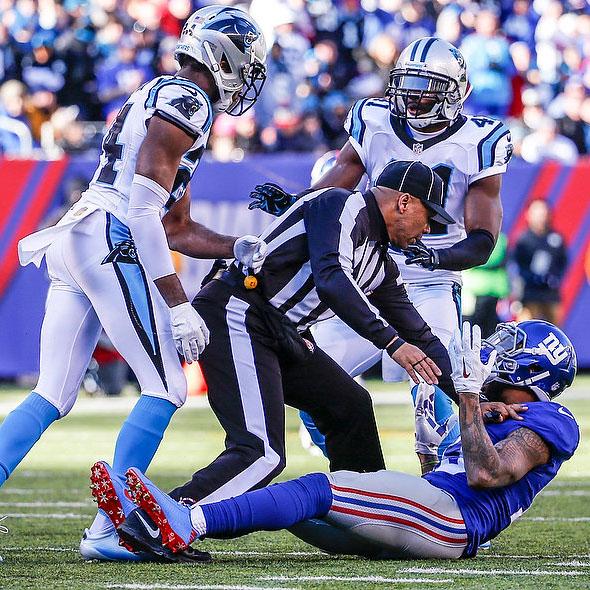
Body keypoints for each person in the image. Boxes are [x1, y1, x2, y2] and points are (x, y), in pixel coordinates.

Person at [0, 5, 268, 563]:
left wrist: (234, 246)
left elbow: (176, 226)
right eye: (243, 65)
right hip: (110, 236)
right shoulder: (188, 101)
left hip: (80, 234)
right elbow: (144, 212)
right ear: (222, 60)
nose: (247, 78)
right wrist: (177, 303)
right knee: (167, 386)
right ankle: (108, 528)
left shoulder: (166, 94)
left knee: (53, 392)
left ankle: (108, 523)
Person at [89, 159, 460, 561]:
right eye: (428, 216)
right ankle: (155, 521)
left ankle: (370, 512)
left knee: (350, 405)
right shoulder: (341, 204)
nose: (428, 230)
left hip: (281, 332)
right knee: (261, 451)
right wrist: (391, 343)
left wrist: (471, 398)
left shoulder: (380, 263)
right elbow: (332, 277)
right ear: (404, 202)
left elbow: (421, 335)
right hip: (239, 311)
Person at [104, 319, 578, 561]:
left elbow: (487, 474)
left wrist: (471, 400)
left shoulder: (553, 419)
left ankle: (186, 522)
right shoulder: (500, 413)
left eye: (513, 348)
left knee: (317, 489)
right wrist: (433, 449)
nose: (498, 350)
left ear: (538, 368)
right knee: (290, 502)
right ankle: (157, 531)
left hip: (452, 522)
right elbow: (445, 478)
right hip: (440, 516)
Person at [249, 37, 513, 457]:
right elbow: (340, 178)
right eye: (407, 85)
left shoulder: (480, 141)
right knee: (316, 385)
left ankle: (440, 482)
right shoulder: (373, 119)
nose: (412, 98)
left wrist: (436, 255)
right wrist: (297, 205)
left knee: (438, 393)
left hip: (432, 280)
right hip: (368, 268)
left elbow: (482, 240)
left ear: (454, 93)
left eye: (426, 89)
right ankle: (356, 477)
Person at [513, 199, 568, 325]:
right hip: (529, 293)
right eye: (537, 213)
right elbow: (516, 266)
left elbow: (563, 262)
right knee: (524, 329)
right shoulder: (523, 240)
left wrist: (554, 278)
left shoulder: (556, 238)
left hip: (551, 294)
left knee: (556, 330)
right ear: (529, 214)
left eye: (543, 213)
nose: (541, 217)